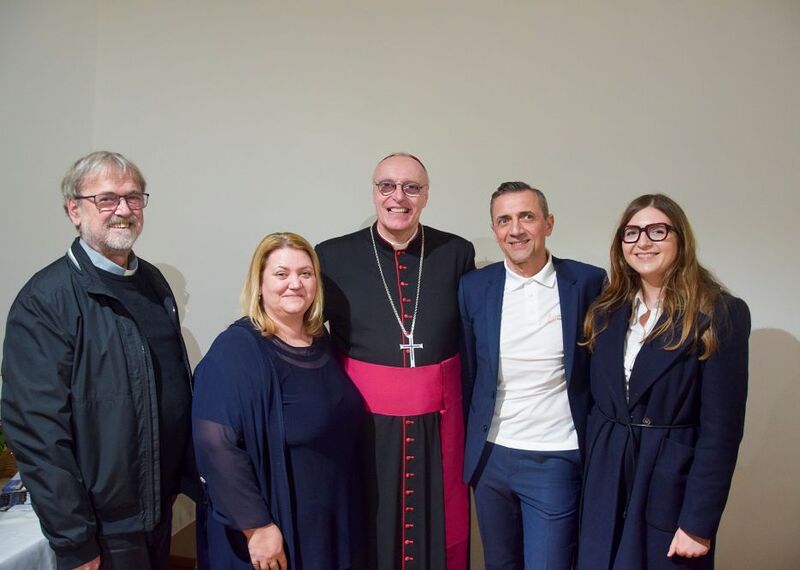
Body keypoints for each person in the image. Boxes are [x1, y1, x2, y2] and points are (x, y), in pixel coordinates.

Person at [1, 151, 194, 570]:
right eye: (106, 199)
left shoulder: (152, 283)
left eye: (133, 197)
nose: (123, 210)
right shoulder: (45, 300)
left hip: (158, 510)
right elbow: (37, 432)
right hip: (103, 528)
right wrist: (74, 538)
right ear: (75, 210)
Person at [315, 153, 475, 569]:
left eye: (411, 187)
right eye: (387, 186)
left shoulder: (456, 253)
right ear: (374, 192)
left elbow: (473, 335)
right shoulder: (332, 256)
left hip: (438, 426)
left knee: (436, 530)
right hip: (364, 426)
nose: (398, 197)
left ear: (426, 195)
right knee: (369, 526)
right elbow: (309, 339)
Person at [577, 194, 750, 570]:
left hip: (668, 484)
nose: (642, 242)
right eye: (632, 232)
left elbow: (722, 432)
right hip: (606, 479)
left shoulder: (719, 313)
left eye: (657, 231)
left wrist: (698, 523)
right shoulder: (605, 311)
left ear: (680, 238)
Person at [193, 232, 365, 570]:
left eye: (305, 273)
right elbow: (214, 445)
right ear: (259, 284)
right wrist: (257, 527)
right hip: (277, 527)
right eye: (281, 274)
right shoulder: (236, 350)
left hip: (328, 523)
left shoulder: (321, 341)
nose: (295, 284)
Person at [459, 182, 606, 569]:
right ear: (494, 230)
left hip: (555, 457)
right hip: (491, 458)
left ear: (548, 223)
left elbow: (600, 373)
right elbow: (469, 374)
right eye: (504, 220)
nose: (516, 229)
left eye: (527, 217)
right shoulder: (475, 287)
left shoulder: (587, 283)